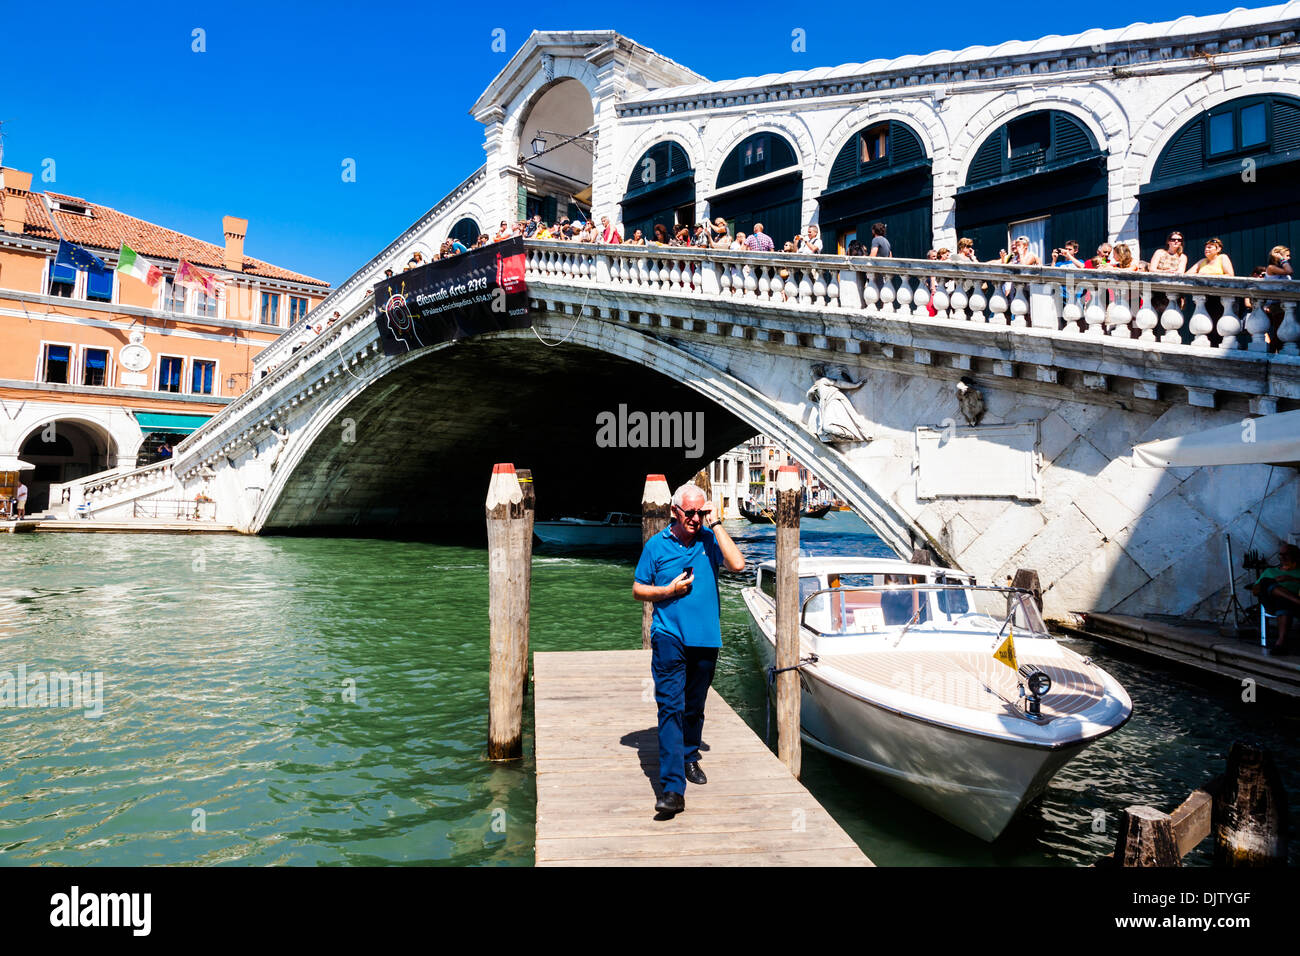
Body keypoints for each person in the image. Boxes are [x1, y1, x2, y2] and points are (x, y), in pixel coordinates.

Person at [633, 483, 745, 815]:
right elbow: (639, 589)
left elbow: (738, 565)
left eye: (701, 512)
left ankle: (689, 755)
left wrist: (717, 523)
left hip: (706, 638)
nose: (696, 518)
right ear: (674, 512)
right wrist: (667, 590)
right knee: (670, 707)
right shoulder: (657, 545)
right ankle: (672, 789)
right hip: (668, 636)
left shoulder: (710, 541)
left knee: (693, 707)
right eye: (690, 513)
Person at [1253, 544, 1300, 653]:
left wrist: (1291, 579)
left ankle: (1281, 642)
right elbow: (1255, 591)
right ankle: (1294, 599)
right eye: (1281, 555)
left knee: (1283, 601)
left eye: (1286, 555)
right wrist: (1274, 583)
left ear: (1295, 556)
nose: (1283, 558)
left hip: (1291, 606)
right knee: (1265, 582)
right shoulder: (1270, 571)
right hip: (1272, 603)